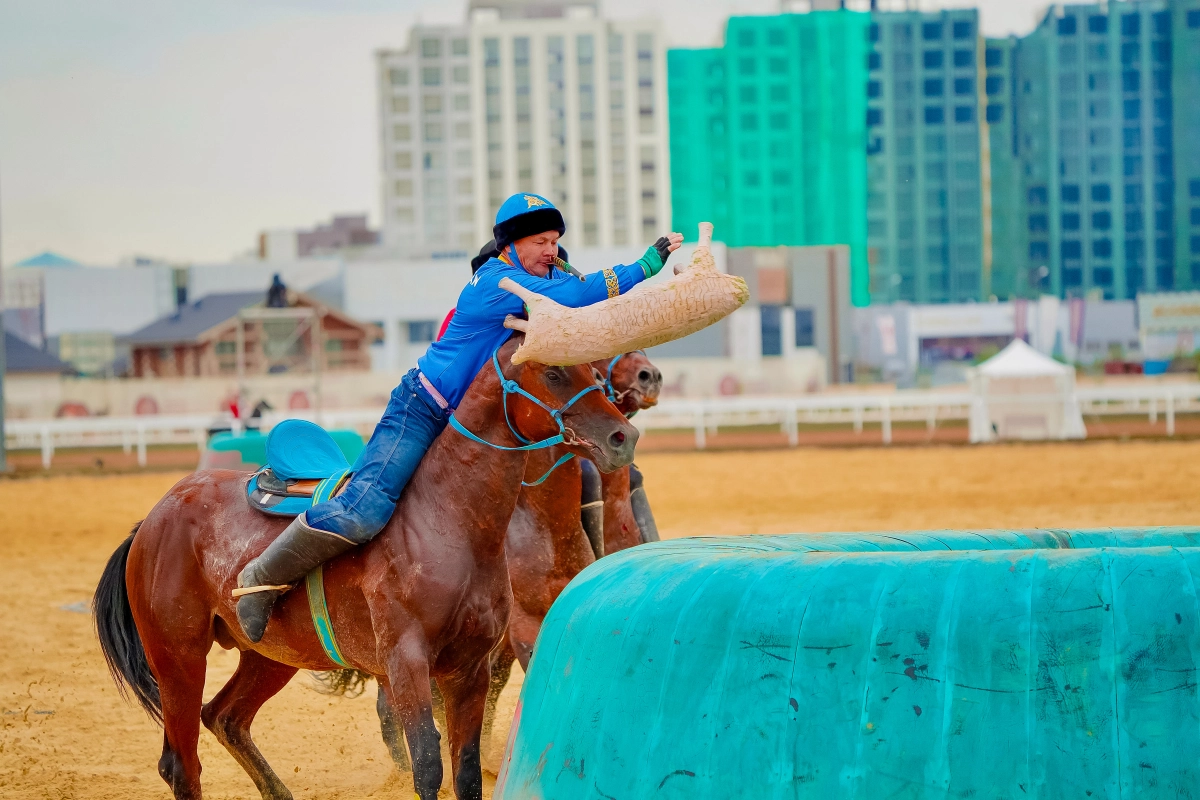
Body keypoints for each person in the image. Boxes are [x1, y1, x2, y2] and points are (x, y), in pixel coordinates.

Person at [234, 193, 682, 641]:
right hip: (422, 409)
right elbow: (578, 293)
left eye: (556, 241)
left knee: (587, 475)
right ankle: (260, 578)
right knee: (365, 510)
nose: (551, 251)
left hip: (478, 424)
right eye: (542, 241)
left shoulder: (530, 286)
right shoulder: (500, 285)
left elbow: (588, 315)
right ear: (512, 246)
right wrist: (644, 266)